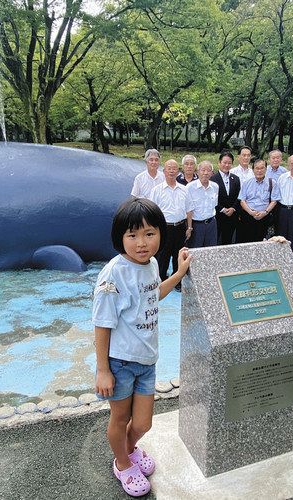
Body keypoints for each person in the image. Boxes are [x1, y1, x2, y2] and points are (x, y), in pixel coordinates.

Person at [93, 197, 191, 496]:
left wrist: (179, 274)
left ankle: (129, 449)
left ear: (161, 233)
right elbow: (101, 323)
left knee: (144, 423)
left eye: (149, 233)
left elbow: (153, 295)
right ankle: (123, 464)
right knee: (120, 418)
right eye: (132, 235)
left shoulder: (149, 265)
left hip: (147, 361)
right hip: (120, 362)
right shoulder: (113, 274)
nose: (141, 243)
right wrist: (102, 370)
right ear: (119, 237)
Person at [149, 160, 193, 283]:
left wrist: (189, 228)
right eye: (169, 168)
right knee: (162, 255)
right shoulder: (157, 190)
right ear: (164, 171)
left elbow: (189, 210)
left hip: (180, 226)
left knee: (178, 255)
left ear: (178, 172)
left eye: (174, 168)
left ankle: (177, 281)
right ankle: (161, 280)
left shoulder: (184, 189)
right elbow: (152, 212)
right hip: (164, 227)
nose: (172, 171)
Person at [237, 158, 280, 243]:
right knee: (246, 241)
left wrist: (265, 212)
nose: (259, 171)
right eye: (257, 168)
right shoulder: (247, 183)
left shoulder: (272, 183)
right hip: (248, 216)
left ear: (266, 169)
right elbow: (242, 200)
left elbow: (274, 201)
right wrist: (250, 212)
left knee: (261, 243)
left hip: (264, 217)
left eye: (262, 168)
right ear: (253, 170)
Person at [211, 151, 241, 245]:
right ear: (219, 163)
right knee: (215, 241)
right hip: (218, 216)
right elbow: (212, 198)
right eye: (224, 162)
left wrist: (233, 208)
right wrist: (222, 209)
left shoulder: (235, 178)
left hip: (232, 216)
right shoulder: (212, 179)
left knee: (228, 242)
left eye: (229, 163)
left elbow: (238, 196)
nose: (227, 165)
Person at [186, 161, 219, 248]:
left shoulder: (215, 187)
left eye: (208, 170)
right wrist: (189, 228)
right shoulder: (190, 187)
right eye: (203, 170)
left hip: (211, 224)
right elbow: (188, 209)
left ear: (212, 173)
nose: (205, 173)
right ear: (197, 172)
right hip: (196, 225)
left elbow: (215, 204)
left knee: (211, 251)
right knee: (195, 252)